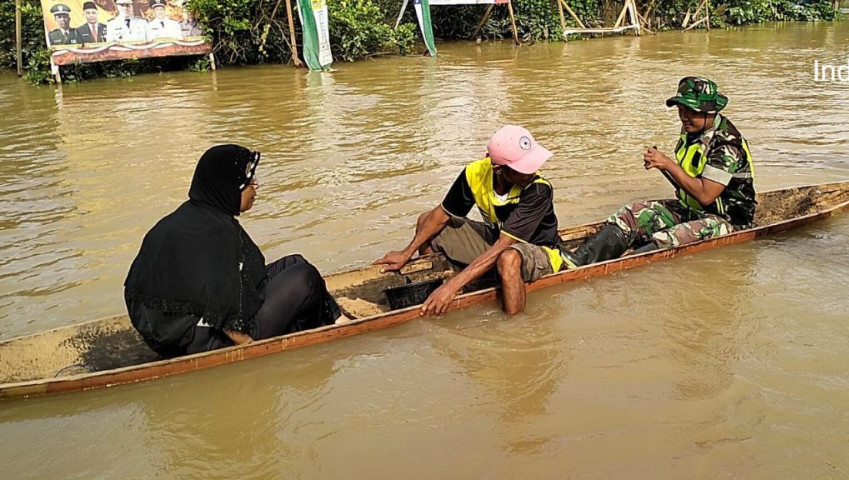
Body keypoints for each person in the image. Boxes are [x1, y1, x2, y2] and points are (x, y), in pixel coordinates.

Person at [124, 144, 345, 358]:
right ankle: (304, 336)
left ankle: (336, 319)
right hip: (194, 338)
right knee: (305, 278)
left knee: (295, 262)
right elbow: (222, 309)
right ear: (228, 185)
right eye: (248, 182)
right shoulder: (216, 231)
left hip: (171, 328)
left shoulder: (197, 214)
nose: (255, 187)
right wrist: (250, 347)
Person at [374, 125, 569, 316]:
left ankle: (514, 324)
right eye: (523, 168)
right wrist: (406, 253)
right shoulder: (475, 173)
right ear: (499, 170)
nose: (531, 171)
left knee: (508, 258)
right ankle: (436, 290)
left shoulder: (538, 189)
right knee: (426, 221)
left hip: (538, 252)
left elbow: (505, 245)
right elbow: (441, 215)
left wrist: (453, 286)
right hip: (495, 240)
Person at [570, 77, 756, 265]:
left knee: (669, 238)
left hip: (727, 221)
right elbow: (689, 179)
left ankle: (623, 266)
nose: (684, 117)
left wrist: (667, 164)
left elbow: (706, 195)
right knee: (630, 214)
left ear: (710, 112)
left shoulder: (726, 145)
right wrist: (662, 166)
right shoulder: (692, 131)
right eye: (681, 110)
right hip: (691, 210)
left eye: (691, 111)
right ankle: (578, 261)